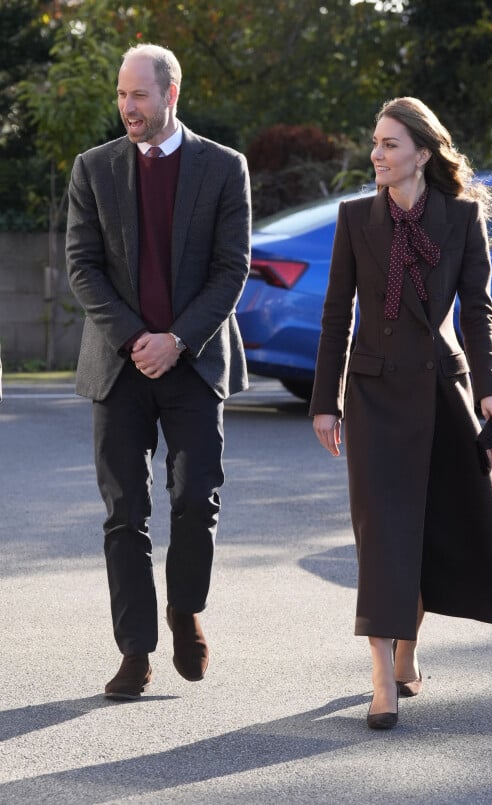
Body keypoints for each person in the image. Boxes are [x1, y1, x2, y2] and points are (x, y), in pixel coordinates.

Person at [310, 97, 492, 731]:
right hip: (373, 395)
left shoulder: (460, 219)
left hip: (440, 393)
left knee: (426, 532)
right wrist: (326, 402)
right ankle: (382, 679)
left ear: (422, 155)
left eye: (391, 144)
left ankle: (407, 647)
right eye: (375, 142)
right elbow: (335, 317)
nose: (377, 154)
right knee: (382, 536)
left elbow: (477, 313)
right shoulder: (354, 219)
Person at [66, 44, 251, 699]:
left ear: (171, 95)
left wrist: (177, 339)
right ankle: (135, 650)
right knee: (125, 513)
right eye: (121, 94)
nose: (126, 107)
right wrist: (137, 337)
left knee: (195, 502)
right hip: (118, 367)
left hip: (194, 364)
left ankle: (184, 608)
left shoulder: (225, 168)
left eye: (138, 95)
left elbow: (233, 269)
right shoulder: (94, 168)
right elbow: (82, 265)